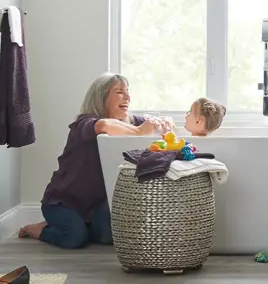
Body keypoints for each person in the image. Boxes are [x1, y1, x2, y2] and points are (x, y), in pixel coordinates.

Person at [18, 72, 163, 249]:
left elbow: (153, 121)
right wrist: (140, 132)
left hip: (94, 205)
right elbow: (104, 125)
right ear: (101, 98)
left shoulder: (129, 122)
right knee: (75, 238)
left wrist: (163, 123)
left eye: (127, 91)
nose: (127, 97)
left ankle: (78, 224)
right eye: (119, 92)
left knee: (108, 236)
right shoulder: (84, 123)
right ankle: (40, 230)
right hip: (64, 202)